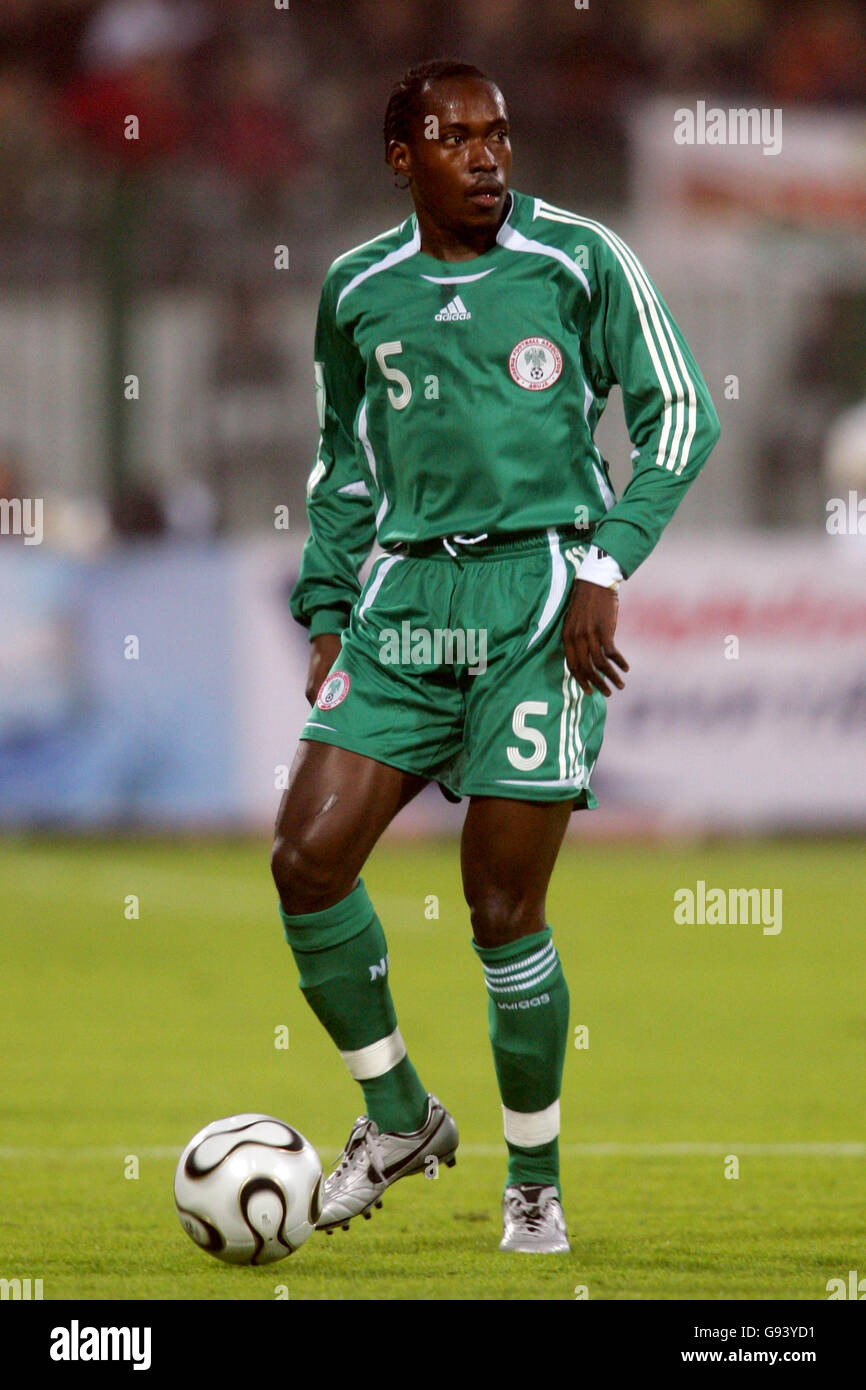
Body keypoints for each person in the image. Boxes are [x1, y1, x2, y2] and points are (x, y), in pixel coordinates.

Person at [271, 59, 720, 1253]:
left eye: (497, 135)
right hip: (405, 600)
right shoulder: (357, 288)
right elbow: (343, 460)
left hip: (538, 596)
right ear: (398, 158)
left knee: (498, 902)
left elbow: (680, 412)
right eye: (452, 136)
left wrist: (604, 562)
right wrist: (327, 602)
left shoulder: (577, 258)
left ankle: (532, 1181)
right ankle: (397, 1114)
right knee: (306, 858)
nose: (484, 156)